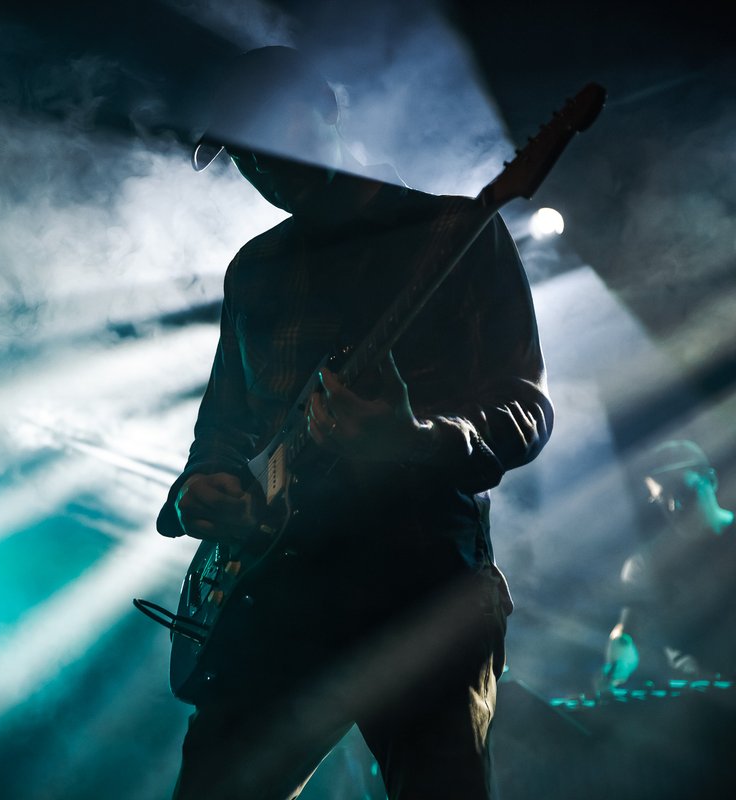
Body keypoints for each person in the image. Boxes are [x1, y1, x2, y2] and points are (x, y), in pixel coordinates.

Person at [156, 46, 552, 800]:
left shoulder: (455, 234)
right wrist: (199, 486)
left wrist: (412, 442)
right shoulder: (256, 268)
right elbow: (224, 424)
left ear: (329, 111)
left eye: (272, 134)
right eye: (241, 152)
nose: (262, 164)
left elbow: (526, 412)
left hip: (420, 595)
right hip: (278, 599)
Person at [601, 439, 735, 688]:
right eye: (663, 498)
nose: (674, 506)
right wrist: (621, 649)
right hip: (695, 705)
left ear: (711, 480)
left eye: (682, 491)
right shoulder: (644, 565)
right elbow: (628, 630)